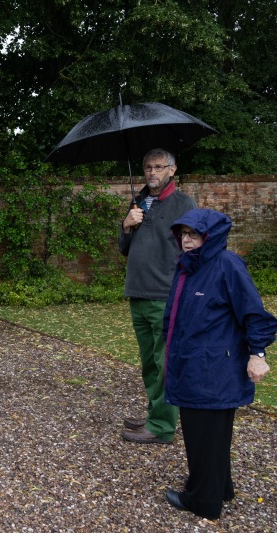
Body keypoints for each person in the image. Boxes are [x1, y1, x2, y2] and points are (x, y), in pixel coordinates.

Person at [161, 208, 275, 520]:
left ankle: (202, 500)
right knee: (211, 434)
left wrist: (258, 354)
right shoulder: (189, 267)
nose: (186, 240)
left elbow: (254, 314)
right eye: (183, 233)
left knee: (203, 434)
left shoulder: (226, 264)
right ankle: (220, 487)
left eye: (194, 234)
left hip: (212, 369)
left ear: (210, 236)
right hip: (194, 362)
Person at [118, 148, 197, 444]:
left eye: (159, 167)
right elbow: (123, 247)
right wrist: (127, 225)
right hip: (137, 292)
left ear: (172, 170)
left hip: (165, 294)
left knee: (164, 364)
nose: (152, 172)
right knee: (150, 362)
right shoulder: (138, 201)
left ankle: (162, 427)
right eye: (148, 167)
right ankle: (155, 413)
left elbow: (195, 245)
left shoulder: (183, 203)